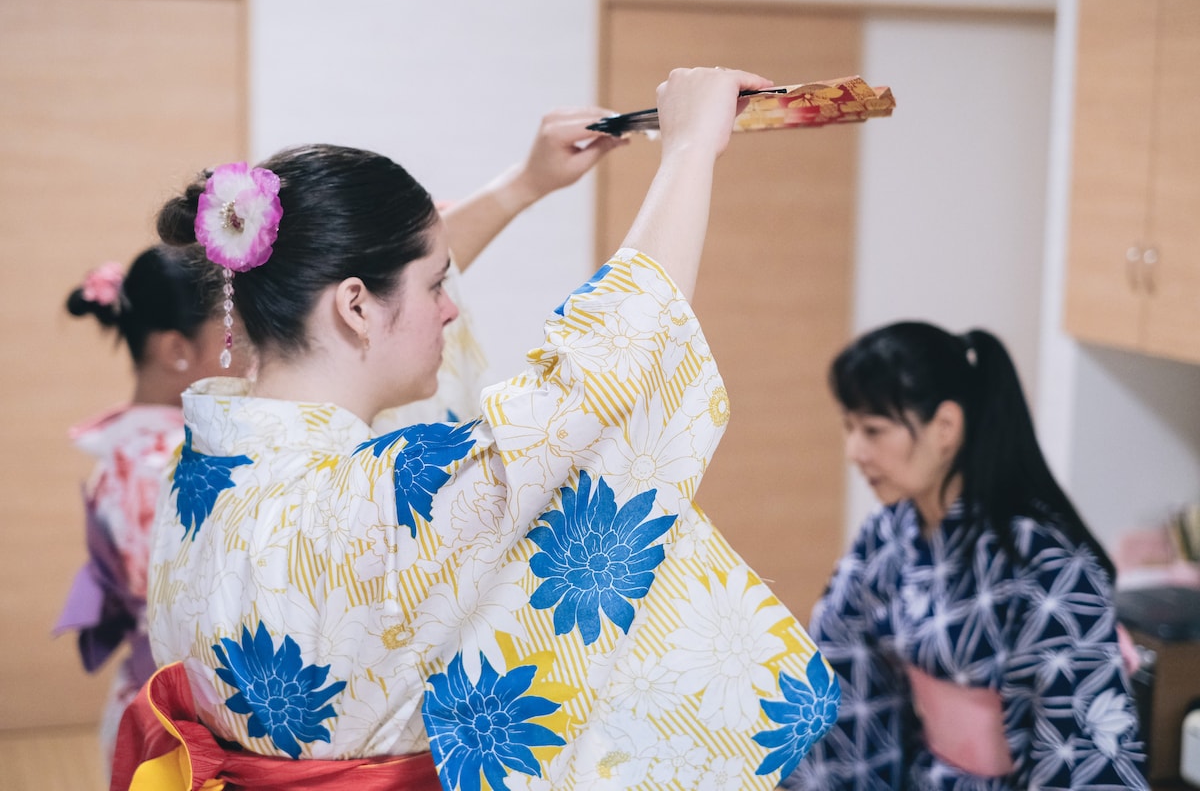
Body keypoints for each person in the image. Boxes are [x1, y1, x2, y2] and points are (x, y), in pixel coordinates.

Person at [114, 68, 840, 790]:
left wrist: (524, 185)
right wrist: (687, 154)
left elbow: (363, 288)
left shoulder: (202, 458)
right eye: (437, 286)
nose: (450, 307)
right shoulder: (391, 495)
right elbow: (599, 379)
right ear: (355, 306)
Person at [782, 321, 1148, 790]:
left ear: (946, 428)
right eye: (849, 428)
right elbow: (840, 668)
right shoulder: (886, 534)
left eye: (873, 430)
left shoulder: (1046, 562)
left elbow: (1078, 748)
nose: (854, 451)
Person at [55, 244, 233, 767]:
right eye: (232, 338)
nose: (247, 355)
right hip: (173, 719)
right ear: (177, 350)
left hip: (139, 699)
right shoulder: (170, 464)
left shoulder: (126, 445)